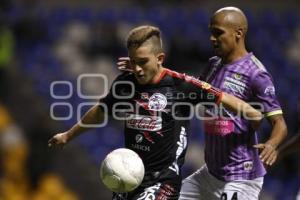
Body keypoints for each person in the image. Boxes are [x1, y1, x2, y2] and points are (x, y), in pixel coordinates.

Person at [49, 25, 262, 200]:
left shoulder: (181, 86)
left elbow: (221, 96)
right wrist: (68, 135)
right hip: (128, 177)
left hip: (163, 182)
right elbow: (100, 111)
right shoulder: (125, 83)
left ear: (160, 58)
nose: (137, 69)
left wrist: (252, 112)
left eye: (143, 62)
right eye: (133, 62)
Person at [178, 7, 288, 200]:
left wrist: (272, 144)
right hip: (211, 174)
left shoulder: (256, 73)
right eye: (211, 32)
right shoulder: (213, 64)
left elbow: (280, 124)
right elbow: (194, 96)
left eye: (218, 32)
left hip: (241, 176)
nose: (212, 38)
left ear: (239, 33)